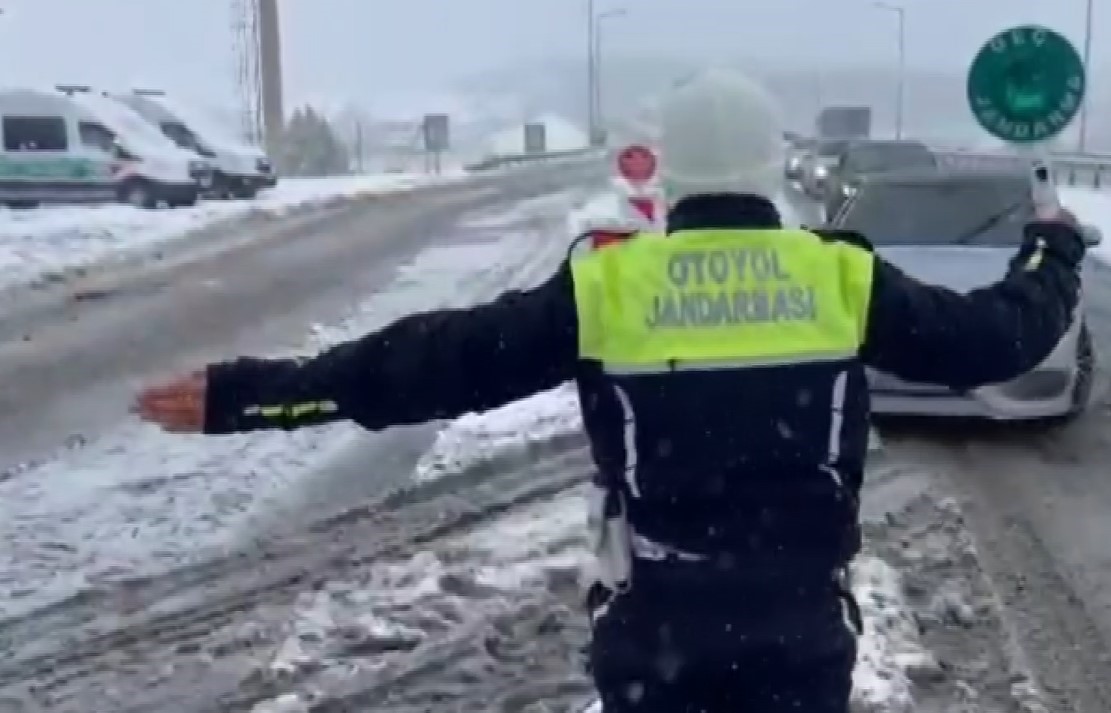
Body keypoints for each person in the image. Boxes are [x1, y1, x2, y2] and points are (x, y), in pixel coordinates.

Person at [136, 68, 1085, 712]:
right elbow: (998, 339)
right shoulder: (837, 275)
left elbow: (432, 360)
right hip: (799, 631)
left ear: (671, 176)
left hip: (658, 631)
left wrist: (252, 394)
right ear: (770, 171)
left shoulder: (610, 287)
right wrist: (1051, 246)